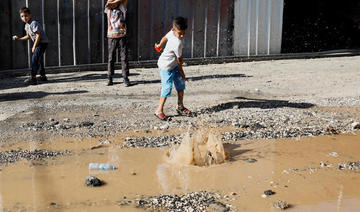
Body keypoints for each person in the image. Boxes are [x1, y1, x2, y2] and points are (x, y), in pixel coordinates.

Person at [154, 17, 191, 121]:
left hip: (173, 65)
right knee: (167, 88)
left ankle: (180, 106)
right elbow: (179, 59)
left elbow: (165, 37)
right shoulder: (177, 42)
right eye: (180, 33)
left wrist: (160, 45)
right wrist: (182, 71)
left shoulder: (173, 32)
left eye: (184, 33)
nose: (182, 36)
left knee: (180, 85)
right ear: (174, 29)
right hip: (166, 67)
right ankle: (159, 111)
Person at [12, 7, 49, 85]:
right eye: (22, 16)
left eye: (26, 15)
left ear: (30, 15)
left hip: (42, 42)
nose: (24, 18)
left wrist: (34, 46)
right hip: (39, 43)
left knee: (34, 59)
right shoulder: (26, 25)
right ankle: (43, 76)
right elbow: (28, 36)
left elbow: (38, 35)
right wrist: (19, 39)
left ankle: (33, 78)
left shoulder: (33, 23)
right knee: (39, 59)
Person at [104, 0, 130, 86]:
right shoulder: (107, 8)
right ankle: (110, 78)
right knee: (111, 58)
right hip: (111, 37)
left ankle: (125, 78)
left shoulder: (121, 7)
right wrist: (113, 2)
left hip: (122, 36)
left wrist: (116, 2)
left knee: (124, 57)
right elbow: (108, 3)